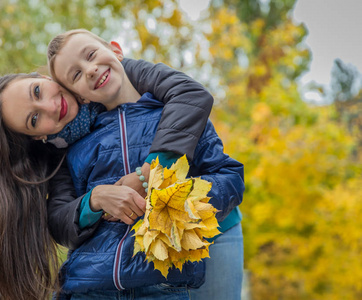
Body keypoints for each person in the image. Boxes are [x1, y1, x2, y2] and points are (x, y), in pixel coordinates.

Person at [0, 54, 215, 299]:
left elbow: (191, 97)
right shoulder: (59, 153)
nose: (50, 106)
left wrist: (149, 174)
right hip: (97, 284)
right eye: (35, 119)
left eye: (37, 91)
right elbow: (59, 219)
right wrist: (94, 200)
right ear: (37, 137)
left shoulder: (121, 81)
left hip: (186, 251)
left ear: (43, 77)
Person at [46, 29, 245, 299]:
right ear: (78, 96)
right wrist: (94, 203)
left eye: (91, 55)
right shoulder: (78, 147)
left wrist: (179, 201)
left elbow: (231, 177)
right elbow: (61, 219)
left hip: (178, 270)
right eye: (76, 75)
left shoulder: (175, 114)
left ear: (116, 50)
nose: (90, 70)